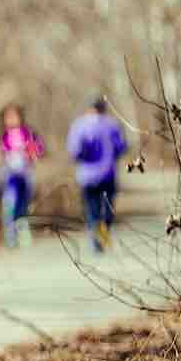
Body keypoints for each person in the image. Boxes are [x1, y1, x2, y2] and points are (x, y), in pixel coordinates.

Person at [67, 97, 127, 252]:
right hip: (108, 174)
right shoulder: (112, 125)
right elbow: (121, 147)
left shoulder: (79, 126)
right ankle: (102, 235)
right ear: (103, 108)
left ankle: (97, 241)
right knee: (107, 210)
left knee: (92, 210)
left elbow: (74, 151)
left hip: (87, 177)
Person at [0, 105, 45, 248]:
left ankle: (24, 234)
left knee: (24, 204)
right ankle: (10, 236)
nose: (12, 119)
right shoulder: (5, 136)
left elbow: (38, 149)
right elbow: (4, 153)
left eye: (14, 116)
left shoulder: (28, 133)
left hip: (25, 173)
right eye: (8, 117)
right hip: (10, 175)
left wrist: (32, 153)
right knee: (10, 205)